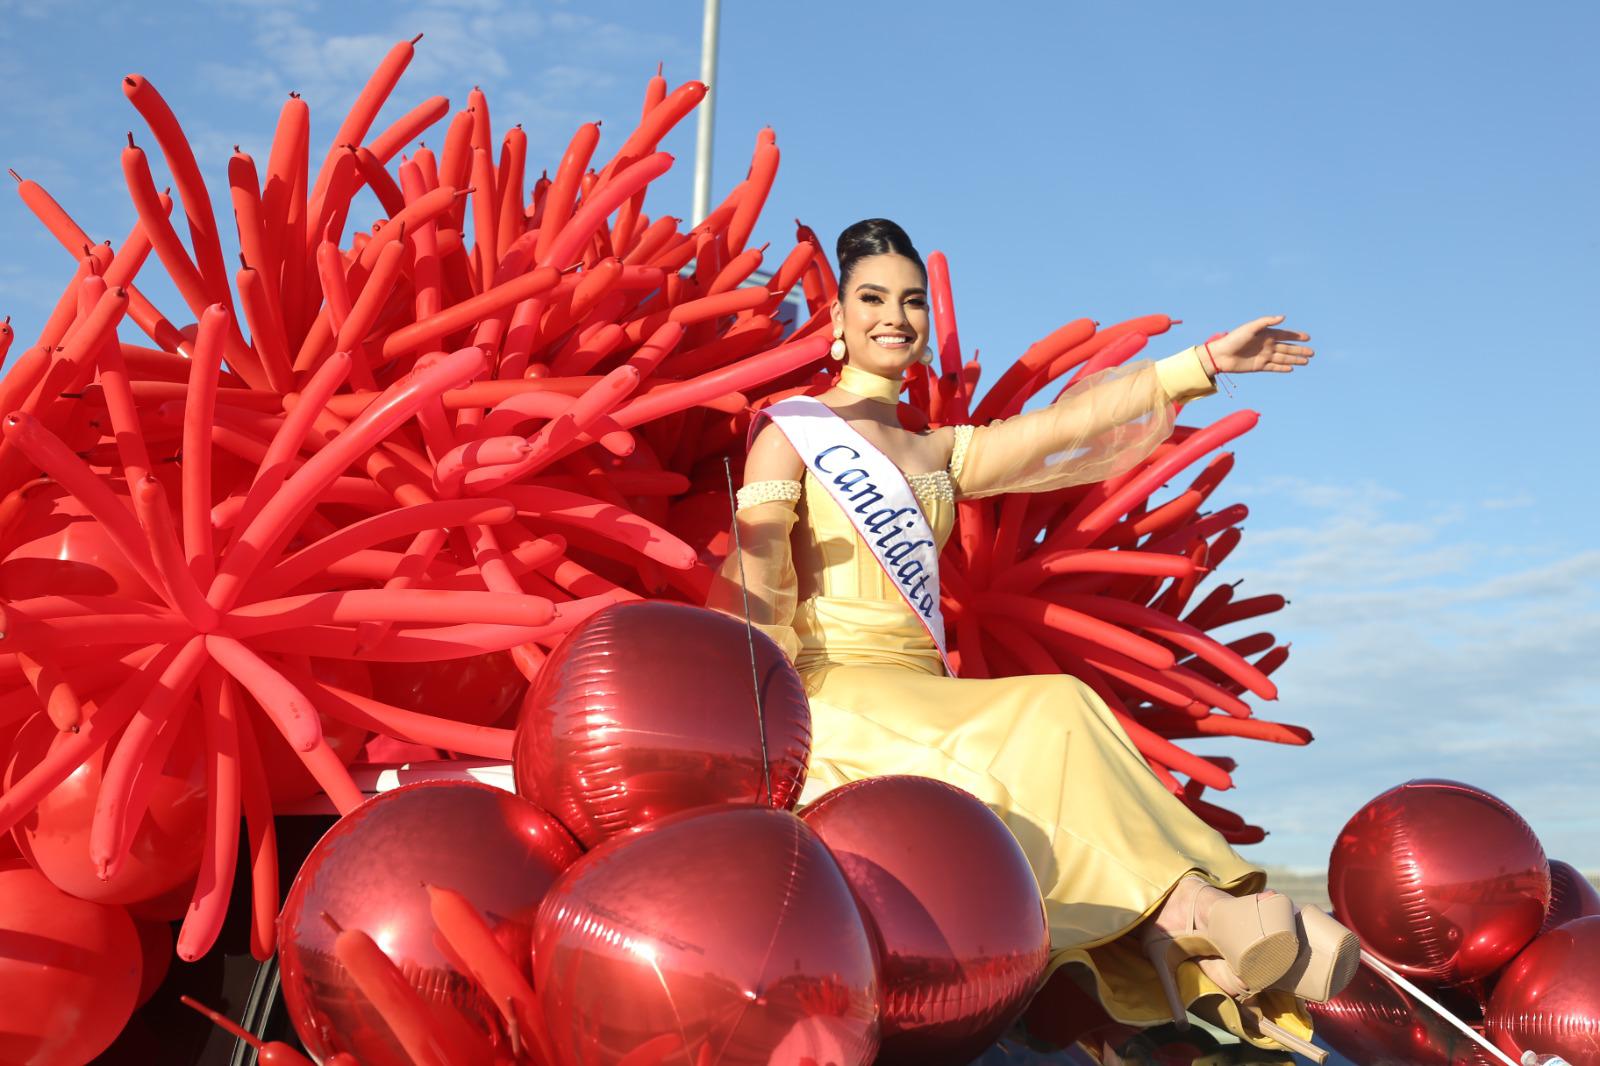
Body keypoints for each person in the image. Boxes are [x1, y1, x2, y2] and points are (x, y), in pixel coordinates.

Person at [708, 218, 1357, 1062]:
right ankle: (1194, 919)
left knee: (1063, 714)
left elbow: (1067, 428)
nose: (895, 315)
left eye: (912, 301)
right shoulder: (790, 433)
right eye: (873, 298)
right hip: (828, 690)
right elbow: (764, 581)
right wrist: (762, 703)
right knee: (1050, 704)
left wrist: (1200, 365)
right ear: (837, 316)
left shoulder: (937, 450)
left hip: (920, 685)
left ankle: (1192, 912)